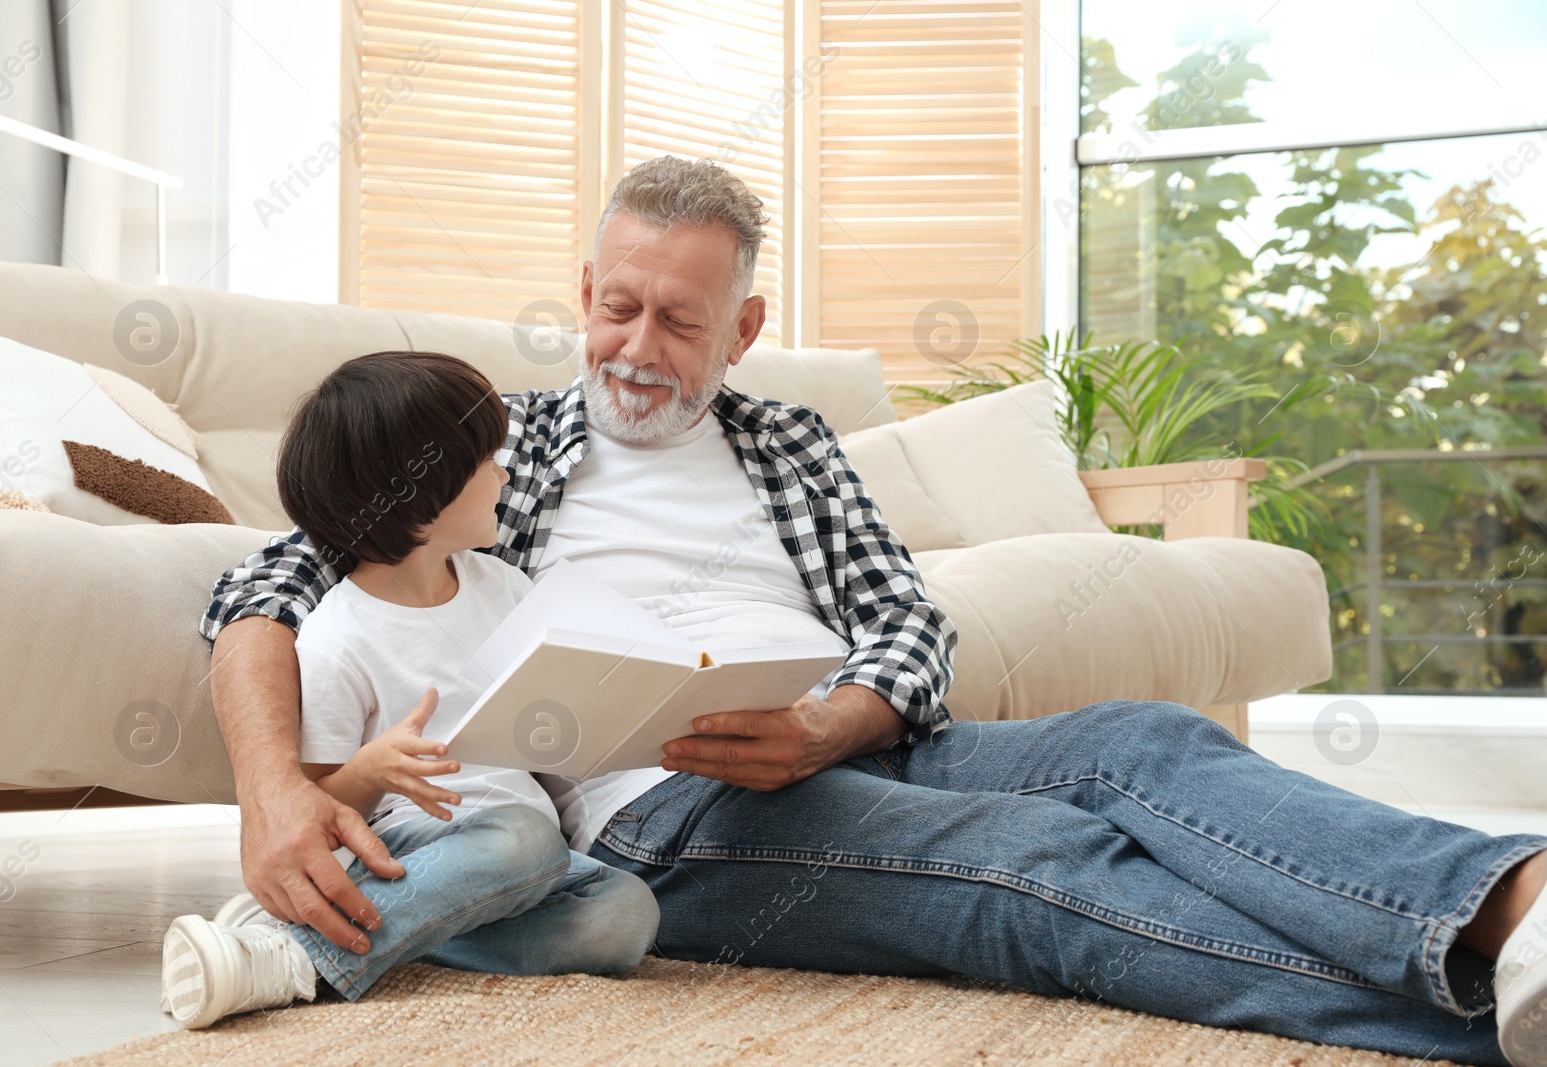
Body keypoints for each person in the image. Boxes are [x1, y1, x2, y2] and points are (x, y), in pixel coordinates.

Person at [200, 156, 1547, 1066]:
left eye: (681, 320)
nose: (637, 347)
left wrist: (839, 713)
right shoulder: (510, 445)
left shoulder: (789, 441)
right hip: (662, 811)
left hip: (854, 743)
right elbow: (274, 574)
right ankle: (1482, 1014)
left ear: (743, 327)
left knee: (1146, 742)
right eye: (617, 307)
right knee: (1036, 868)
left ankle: (1513, 898)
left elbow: (907, 619)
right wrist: (272, 781)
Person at [164, 352, 658, 1029]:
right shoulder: (339, 635)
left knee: (627, 913)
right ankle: (295, 955)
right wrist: (368, 770)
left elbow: (550, 733)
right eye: (487, 462)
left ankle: (393, 937)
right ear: (420, 493)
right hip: (422, 853)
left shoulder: (506, 590)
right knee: (523, 838)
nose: (505, 474)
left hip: (530, 866)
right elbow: (321, 809)